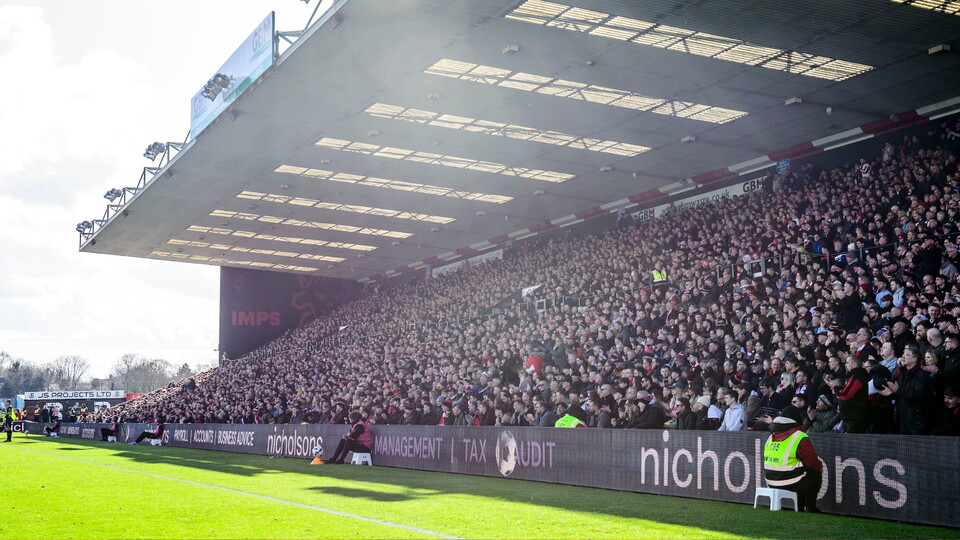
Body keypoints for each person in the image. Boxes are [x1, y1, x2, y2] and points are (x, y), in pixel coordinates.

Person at [762, 415, 823, 513]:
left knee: (801, 474)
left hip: (770, 481)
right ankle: (809, 507)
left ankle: (799, 507)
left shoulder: (770, 437)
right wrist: (819, 466)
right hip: (791, 482)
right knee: (814, 473)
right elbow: (812, 461)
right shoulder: (799, 436)